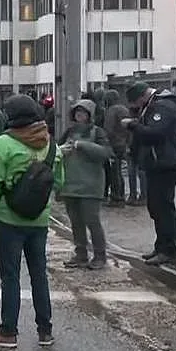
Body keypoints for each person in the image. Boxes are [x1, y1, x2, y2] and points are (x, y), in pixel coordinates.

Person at [0, 94, 61, 349]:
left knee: (11, 276)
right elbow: (59, 182)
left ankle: (8, 331)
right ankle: (45, 330)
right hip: (39, 220)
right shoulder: (50, 144)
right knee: (39, 273)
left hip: (8, 219)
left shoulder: (4, 143)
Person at [124, 82, 176, 266]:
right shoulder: (152, 106)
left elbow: (155, 133)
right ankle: (161, 247)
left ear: (142, 96)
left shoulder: (162, 107)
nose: (135, 107)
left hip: (167, 163)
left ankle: (168, 251)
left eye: (135, 102)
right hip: (158, 163)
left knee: (163, 207)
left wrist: (133, 125)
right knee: (156, 206)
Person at [58, 99, 112, 270]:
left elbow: (105, 153)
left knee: (92, 221)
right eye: (77, 112)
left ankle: (100, 255)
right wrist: (61, 150)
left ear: (91, 115)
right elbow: (56, 150)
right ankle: (80, 253)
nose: (79, 115)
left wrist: (83, 145)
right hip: (70, 185)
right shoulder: (69, 131)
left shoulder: (98, 132)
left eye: (83, 112)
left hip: (90, 186)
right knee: (75, 222)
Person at [103, 90, 130, 207]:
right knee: (119, 171)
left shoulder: (111, 111)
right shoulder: (124, 109)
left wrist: (106, 143)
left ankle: (116, 197)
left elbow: (108, 129)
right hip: (123, 143)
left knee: (114, 172)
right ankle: (121, 195)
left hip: (114, 144)